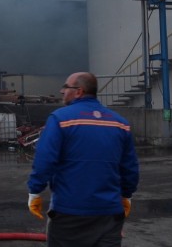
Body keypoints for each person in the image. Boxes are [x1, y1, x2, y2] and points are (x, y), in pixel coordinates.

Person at [27, 72, 139, 247]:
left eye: (66, 87)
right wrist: (126, 195)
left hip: (69, 214)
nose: (62, 91)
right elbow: (130, 167)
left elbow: (45, 160)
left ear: (79, 91)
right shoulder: (120, 123)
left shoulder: (60, 119)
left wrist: (35, 191)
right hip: (109, 215)